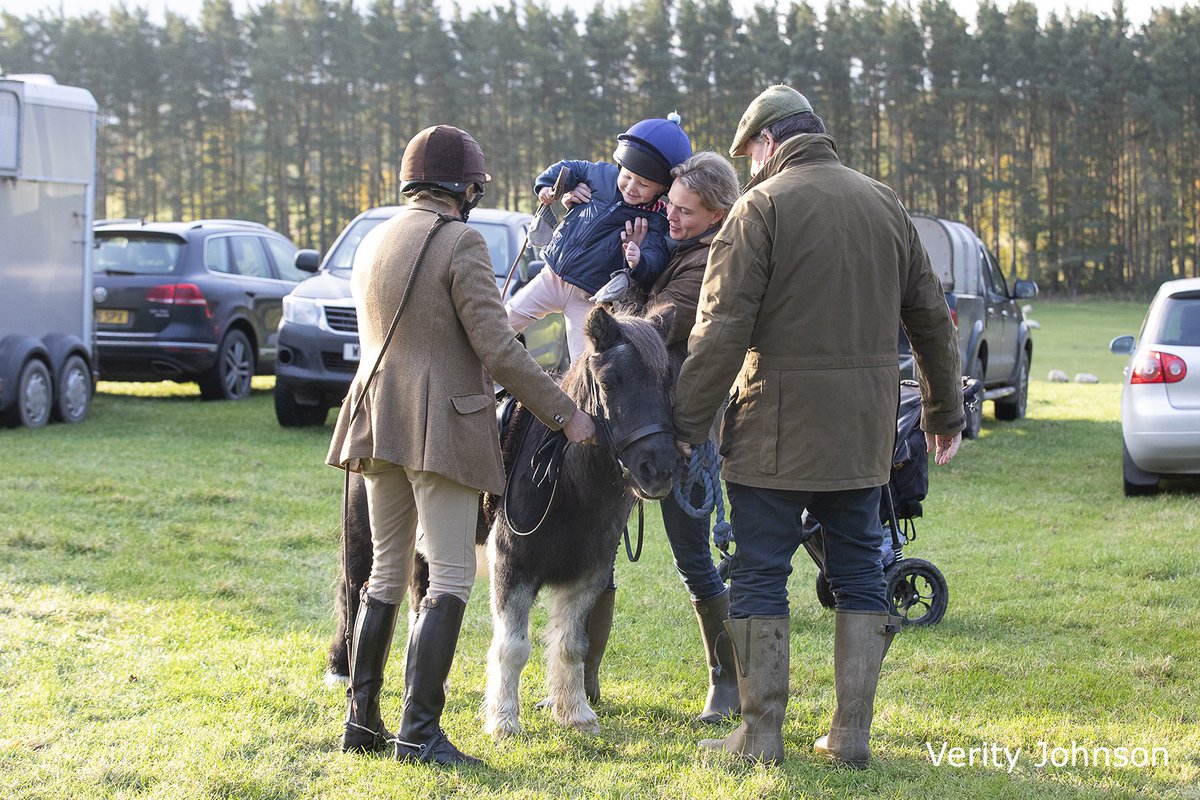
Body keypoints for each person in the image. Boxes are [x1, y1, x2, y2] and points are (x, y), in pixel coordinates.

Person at [671, 86, 965, 767]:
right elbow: (930, 317)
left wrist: (687, 422)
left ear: (770, 142)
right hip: (863, 429)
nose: (750, 167)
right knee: (861, 570)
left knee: (759, 572)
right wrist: (944, 413)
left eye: (752, 154)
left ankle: (760, 738)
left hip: (774, 426)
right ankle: (851, 736)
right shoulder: (884, 202)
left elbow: (719, 330)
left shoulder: (761, 207)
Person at [326, 124, 595, 766]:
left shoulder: (374, 239)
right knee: (448, 576)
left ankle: (362, 722)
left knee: (386, 576)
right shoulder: (461, 241)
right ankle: (419, 734)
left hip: (374, 420)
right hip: (438, 426)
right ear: (464, 187)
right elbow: (498, 348)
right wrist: (565, 414)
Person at [505, 114, 693, 362]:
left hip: (590, 298)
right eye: (627, 176)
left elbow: (656, 257)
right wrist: (548, 187)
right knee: (504, 322)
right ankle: (486, 379)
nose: (631, 187)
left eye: (643, 184)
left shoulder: (655, 220)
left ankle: (576, 401)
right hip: (551, 278)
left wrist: (640, 261)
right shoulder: (601, 176)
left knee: (584, 362)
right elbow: (570, 167)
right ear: (619, 166)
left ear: (662, 189)